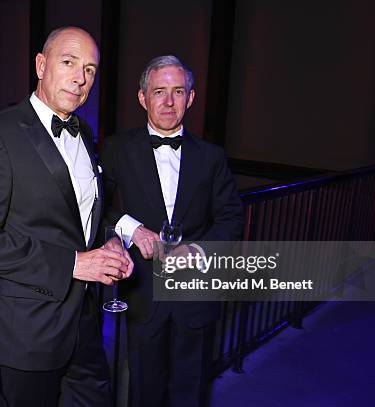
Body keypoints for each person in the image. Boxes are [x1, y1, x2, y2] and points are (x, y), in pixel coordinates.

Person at [0, 26, 133, 407]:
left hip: (83, 326)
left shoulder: (84, 131)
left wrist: (110, 239)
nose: (81, 78)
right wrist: (73, 264)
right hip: (24, 335)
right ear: (40, 64)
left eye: (90, 69)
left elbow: (78, 215)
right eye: (69, 62)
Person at [101, 55, 244, 407]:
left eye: (178, 91)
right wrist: (132, 230)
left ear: (190, 98)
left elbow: (231, 217)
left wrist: (197, 250)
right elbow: (94, 206)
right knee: (144, 391)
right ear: (142, 98)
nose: (168, 102)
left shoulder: (212, 156)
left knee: (191, 391)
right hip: (143, 291)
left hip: (194, 293)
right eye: (159, 91)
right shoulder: (117, 148)